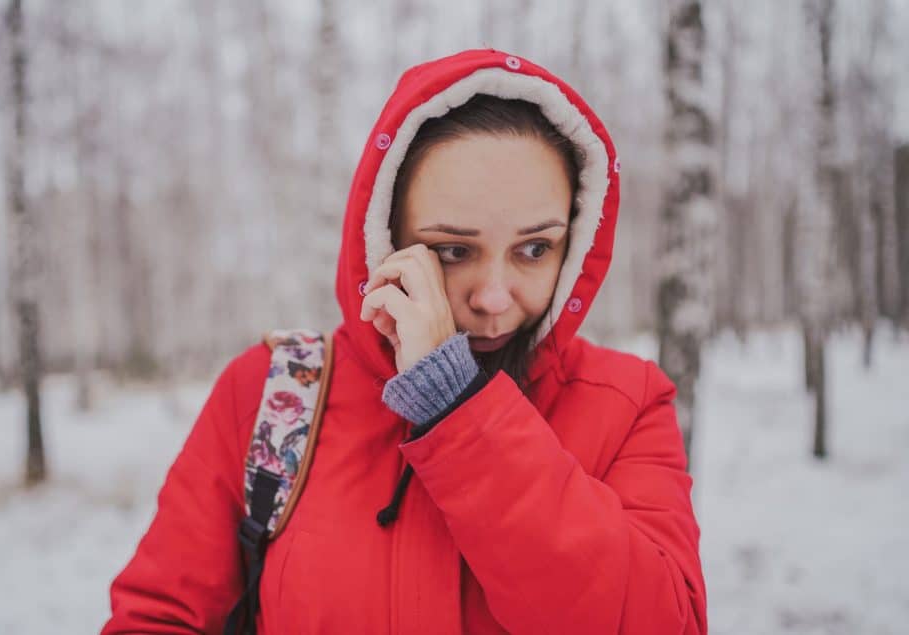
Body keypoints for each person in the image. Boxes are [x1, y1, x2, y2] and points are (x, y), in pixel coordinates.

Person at [101, 49, 708, 635]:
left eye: (533, 249)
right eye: (452, 250)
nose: (494, 296)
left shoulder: (626, 405)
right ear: (383, 242)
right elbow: (156, 620)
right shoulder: (275, 394)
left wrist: (462, 412)